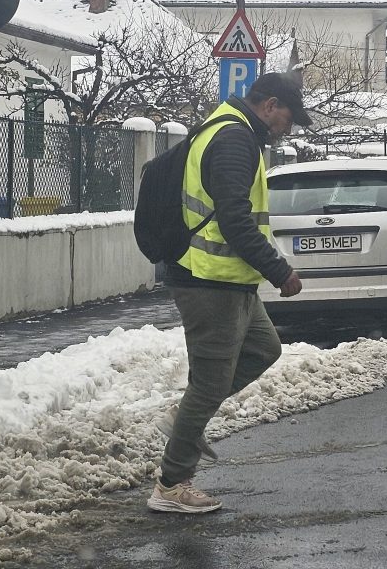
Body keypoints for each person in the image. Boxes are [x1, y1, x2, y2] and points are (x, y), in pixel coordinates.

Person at [147, 72, 310, 514]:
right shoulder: (234, 139)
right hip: (208, 279)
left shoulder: (232, 130)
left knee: (264, 349)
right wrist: (279, 270)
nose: (288, 129)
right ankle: (171, 484)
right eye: (289, 118)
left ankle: (184, 418)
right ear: (270, 105)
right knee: (211, 382)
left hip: (230, 279)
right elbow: (235, 219)